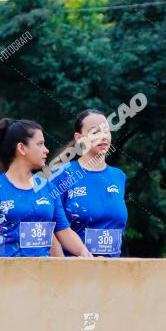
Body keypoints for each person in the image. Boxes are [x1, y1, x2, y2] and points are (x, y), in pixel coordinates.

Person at [0, 118, 92, 258]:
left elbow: (64, 231)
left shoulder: (48, 188)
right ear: (22, 148)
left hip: (42, 276)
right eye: (40, 144)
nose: (46, 150)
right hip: (2, 276)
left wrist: (86, 254)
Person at [50, 109, 128, 257]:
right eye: (94, 132)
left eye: (106, 131)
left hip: (113, 271)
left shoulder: (119, 176)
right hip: (74, 271)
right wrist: (60, 266)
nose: (103, 136)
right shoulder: (61, 175)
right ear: (79, 138)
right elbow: (49, 225)